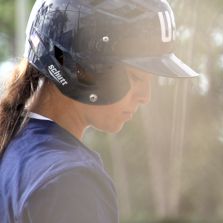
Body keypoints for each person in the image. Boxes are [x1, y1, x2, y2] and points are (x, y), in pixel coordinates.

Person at [0, 0, 198, 222]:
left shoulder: (13, 146)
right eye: (136, 77)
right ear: (79, 68)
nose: (145, 97)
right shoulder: (70, 179)